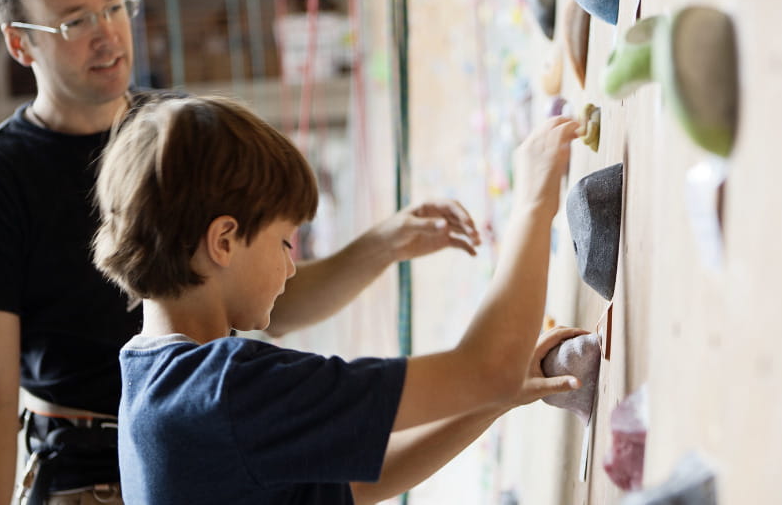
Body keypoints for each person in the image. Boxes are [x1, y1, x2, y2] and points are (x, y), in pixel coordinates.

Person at [0, 0, 481, 502]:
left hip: (217, 441)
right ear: (20, 43)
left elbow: (263, 297)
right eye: (75, 21)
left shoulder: (174, 130)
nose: (107, 35)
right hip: (89, 475)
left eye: (115, 6)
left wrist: (384, 244)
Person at [92, 95, 582, 504]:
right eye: (285, 242)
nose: (290, 267)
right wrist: (534, 201)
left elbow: (353, 485)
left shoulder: (151, 385)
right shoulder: (225, 389)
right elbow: (486, 366)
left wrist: (492, 397)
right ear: (223, 241)